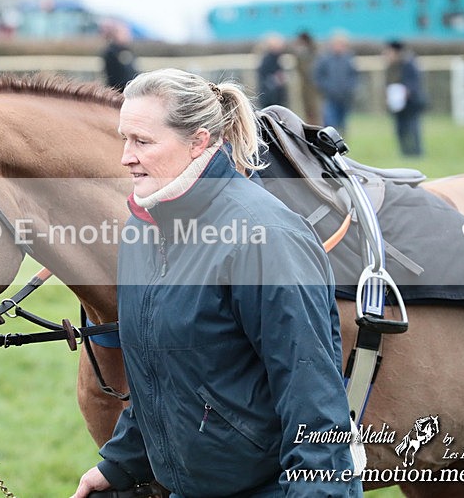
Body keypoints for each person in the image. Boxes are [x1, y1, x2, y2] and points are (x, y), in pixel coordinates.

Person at [71, 68, 361, 498]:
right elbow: (163, 374)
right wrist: (121, 464)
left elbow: (313, 396)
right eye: (125, 139)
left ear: (199, 142)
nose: (125, 157)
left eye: (143, 142)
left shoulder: (266, 238)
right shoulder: (143, 230)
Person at [384, 40, 427, 157]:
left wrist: (406, 92)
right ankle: (405, 152)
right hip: (398, 104)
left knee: (413, 128)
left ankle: (417, 152)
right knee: (400, 129)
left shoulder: (409, 64)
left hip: (412, 103)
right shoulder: (391, 66)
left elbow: (415, 83)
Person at [313, 32, 359, 133]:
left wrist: (349, 88)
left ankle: (341, 143)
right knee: (330, 122)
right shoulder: (324, 59)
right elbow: (318, 76)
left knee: (343, 122)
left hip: (344, 97)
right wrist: (327, 87)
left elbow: (354, 76)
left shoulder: (348, 59)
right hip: (330, 97)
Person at [293, 31, 321, 125]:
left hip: (314, 88)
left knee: (315, 112)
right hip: (305, 88)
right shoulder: (301, 55)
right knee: (307, 112)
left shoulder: (313, 55)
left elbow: (308, 71)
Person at [101, 20, 138, 91]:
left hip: (132, 89)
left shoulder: (128, 50)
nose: (127, 35)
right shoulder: (111, 52)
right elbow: (114, 77)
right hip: (119, 91)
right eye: (124, 33)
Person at [256, 34, 288, 107]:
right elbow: (265, 78)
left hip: (275, 97)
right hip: (270, 98)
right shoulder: (267, 60)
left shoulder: (276, 59)